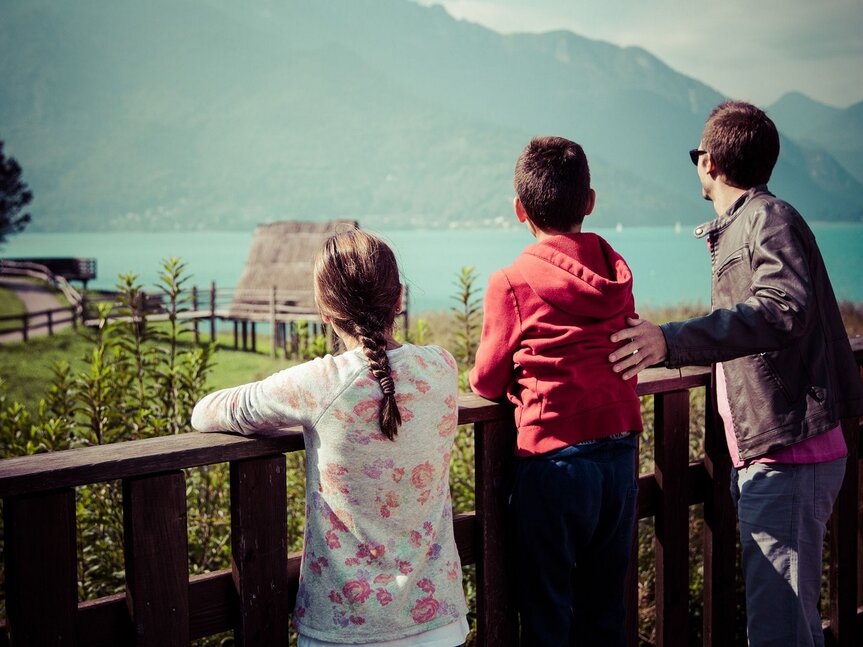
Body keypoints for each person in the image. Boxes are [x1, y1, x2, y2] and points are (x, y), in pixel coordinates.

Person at [608, 100, 863, 647]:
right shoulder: (752, 221)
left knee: (779, 633)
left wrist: (670, 339)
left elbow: (782, 308)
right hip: (778, 453)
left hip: (789, 455)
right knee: (790, 625)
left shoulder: (768, 219)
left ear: (709, 164)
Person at [191, 229, 469, 646]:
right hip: (439, 623)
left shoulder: (318, 384)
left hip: (345, 626)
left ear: (324, 310)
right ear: (399, 298)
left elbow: (205, 413)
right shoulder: (441, 368)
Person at [469, 135, 643, 645]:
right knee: (605, 615)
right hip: (619, 454)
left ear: (520, 210)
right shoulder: (616, 272)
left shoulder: (512, 281)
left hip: (555, 462)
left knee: (548, 619)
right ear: (589, 202)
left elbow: (486, 378)